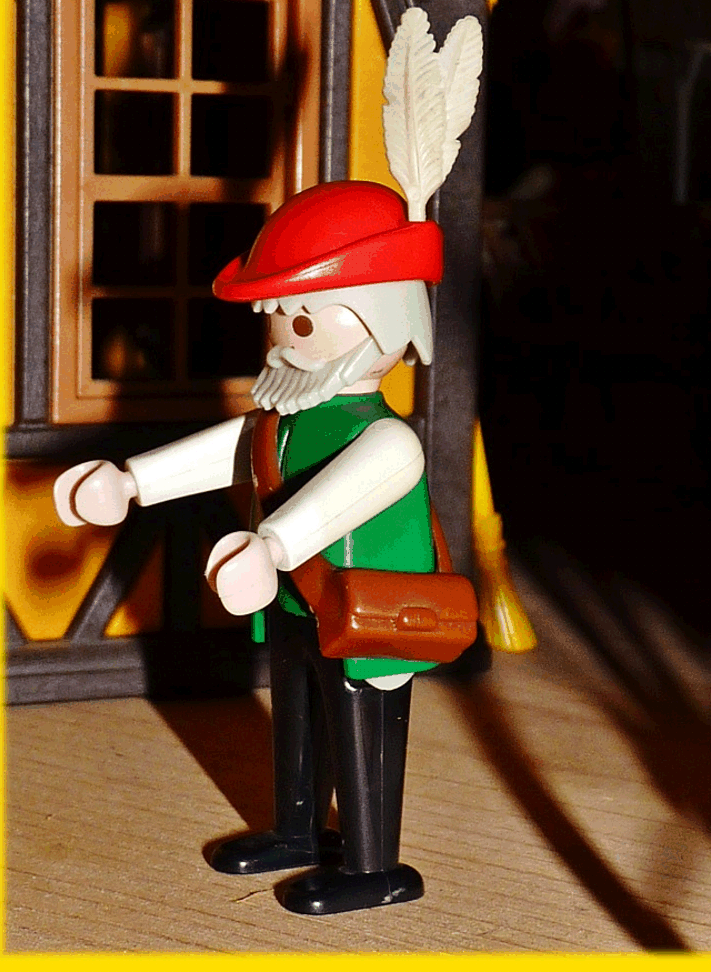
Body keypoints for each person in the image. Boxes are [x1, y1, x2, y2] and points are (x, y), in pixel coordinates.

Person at [54, 180, 451, 915]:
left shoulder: (389, 439)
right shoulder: (285, 419)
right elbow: (231, 451)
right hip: (298, 602)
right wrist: (133, 481)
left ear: (383, 316)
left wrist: (272, 545)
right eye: (275, 319)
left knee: (360, 730)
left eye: (301, 317)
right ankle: (296, 830)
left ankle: (373, 866)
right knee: (296, 712)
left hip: (371, 617)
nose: (284, 338)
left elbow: (336, 501)